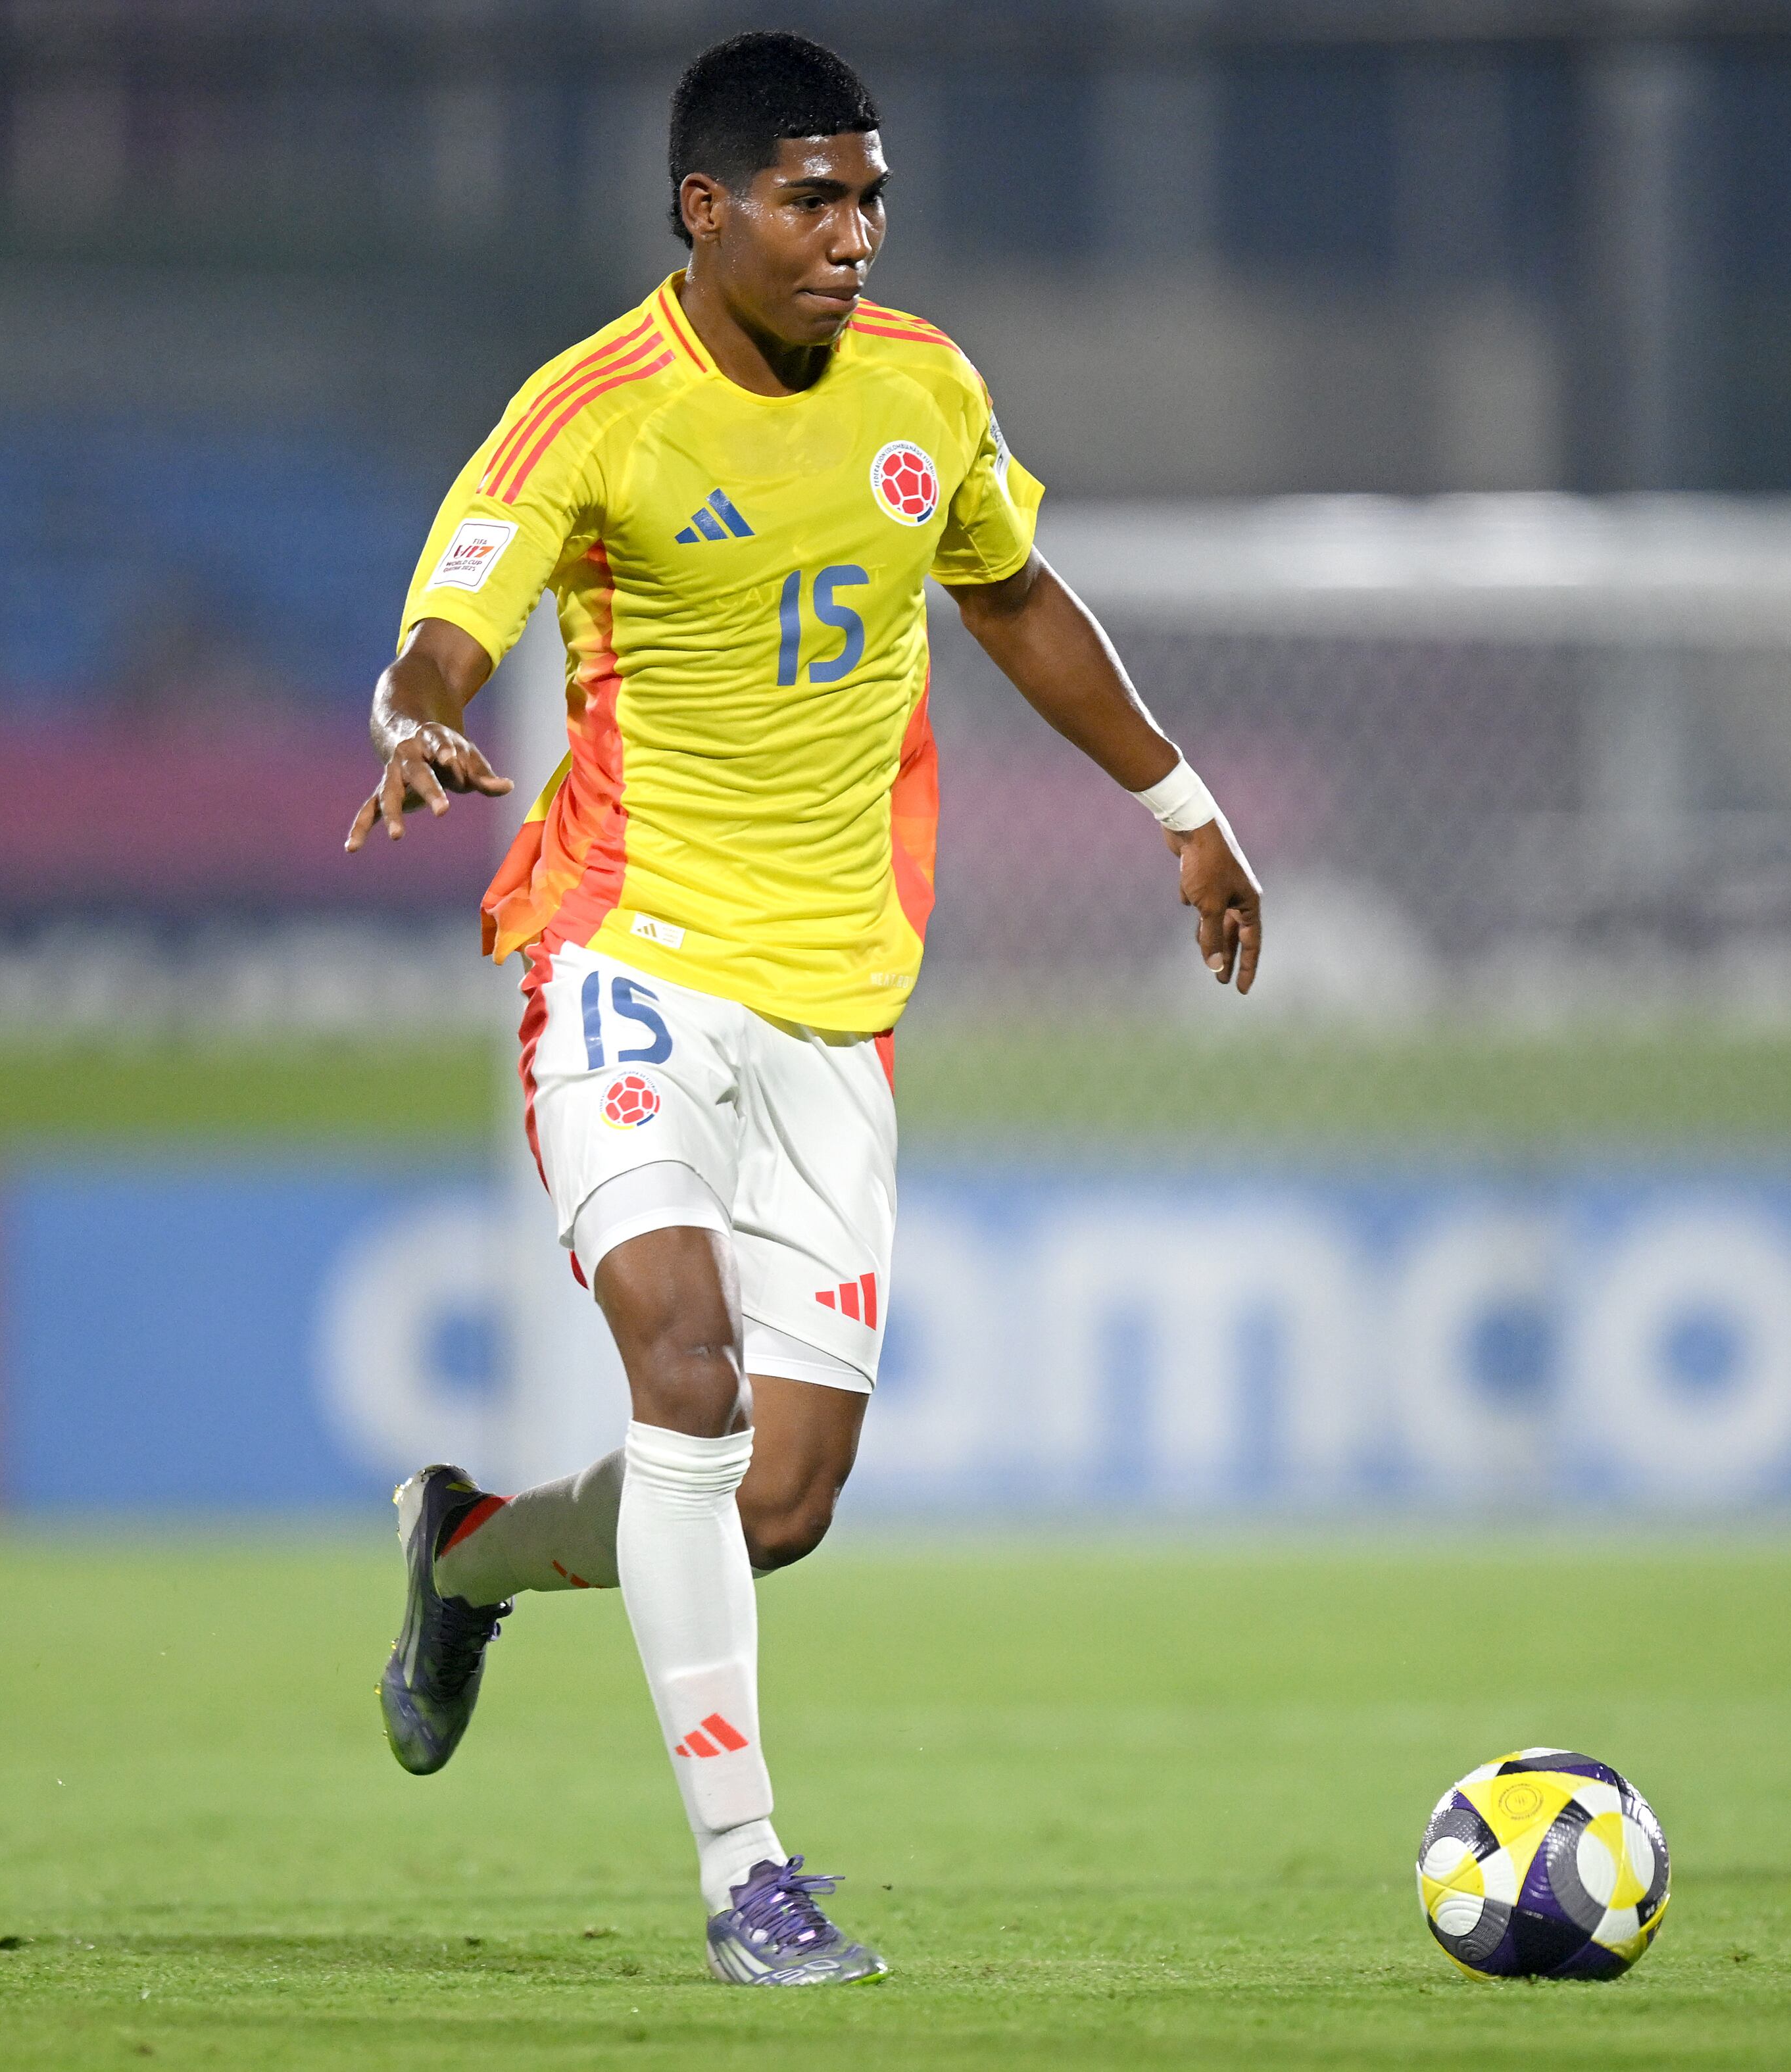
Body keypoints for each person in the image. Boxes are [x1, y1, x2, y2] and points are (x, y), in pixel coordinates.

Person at [349, 32, 1264, 1987]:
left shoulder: (923, 387)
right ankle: (749, 1871)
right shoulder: (588, 410)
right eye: (807, 199)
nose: (847, 235)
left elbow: (1012, 594)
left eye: (865, 199)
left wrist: (1178, 808)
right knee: (677, 1370)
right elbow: (454, 616)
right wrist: (417, 712)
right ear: (702, 211)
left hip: (836, 1006)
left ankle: (463, 1553)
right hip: (625, 961)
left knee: (775, 1497)